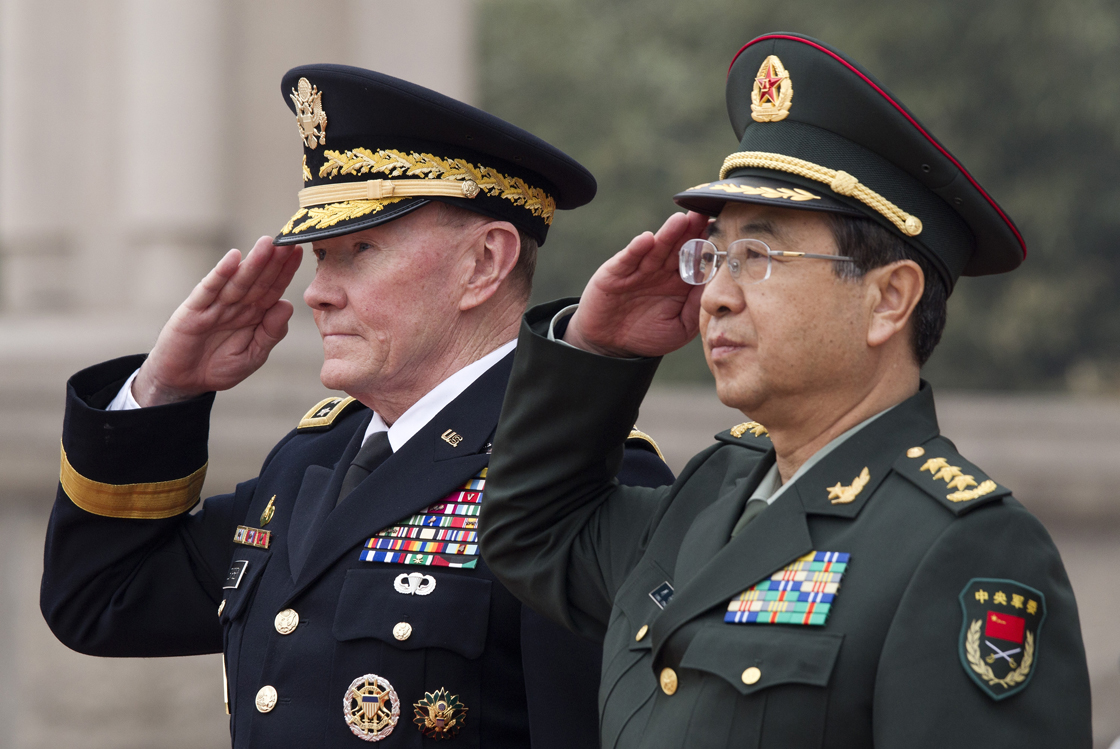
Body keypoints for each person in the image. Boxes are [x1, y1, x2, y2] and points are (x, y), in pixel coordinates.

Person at [480, 33, 1092, 748]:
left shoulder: (966, 549)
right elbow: (531, 531)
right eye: (715, 255)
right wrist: (595, 349)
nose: (714, 295)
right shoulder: (714, 492)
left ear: (890, 299)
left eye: (757, 257)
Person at [40, 64, 673, 748]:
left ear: (485, 262)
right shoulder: (311, 460)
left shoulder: (583, 479)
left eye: (358, 251)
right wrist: (165, 390)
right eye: (319, 259)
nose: (318, 292)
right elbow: (101, 599)